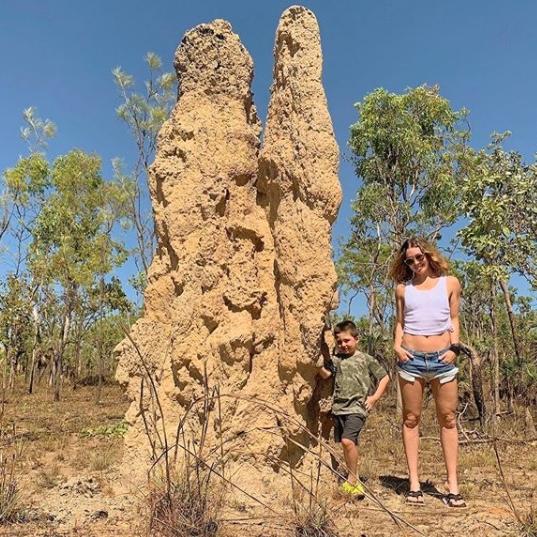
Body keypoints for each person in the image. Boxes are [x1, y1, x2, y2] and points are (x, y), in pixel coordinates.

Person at [390, 237, 466, 507]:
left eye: (419, 257)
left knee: (448, 419)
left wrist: (454, 348)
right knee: (411, 419)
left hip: (443, 359)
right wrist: (397, 346)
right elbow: (400, 322)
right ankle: (414, 483)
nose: (415, 263)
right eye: (409, 260)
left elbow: (454, 318)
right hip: (410, 360)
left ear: (429, 255)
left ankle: (453, 486)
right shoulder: (403, 289)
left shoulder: (450, 283)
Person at [318, 320, 390, 498]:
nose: (343, 345)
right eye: (340, 342)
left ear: (356, 339)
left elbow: (384, 377)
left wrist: (374, 398)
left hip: (357, 408)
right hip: (338, 409)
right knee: (349, 443)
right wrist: (315, 364)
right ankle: (354, 478)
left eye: (347, 340)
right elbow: (326, 375)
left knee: (347, 442)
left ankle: (352, 480)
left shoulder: (365, 359)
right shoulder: (336, 360)